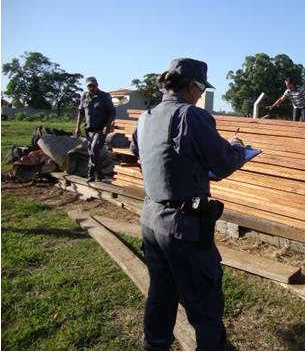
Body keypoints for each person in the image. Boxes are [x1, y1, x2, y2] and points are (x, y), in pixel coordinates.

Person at [129, 58, 246, 351]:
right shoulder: (190, 116)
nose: (201, 93)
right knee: (204, 301)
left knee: (162, 292)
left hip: (151, 220)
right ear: (193, 86)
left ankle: (154, 345)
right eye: (202, 87)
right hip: (182, 227)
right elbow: (222, 164)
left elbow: (141, 154)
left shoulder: (146, 117)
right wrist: (239, 150)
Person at [75, 76, 116, 182]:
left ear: (97, 85)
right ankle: (100, 174)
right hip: (88, 129)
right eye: (89, 86)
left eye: (93, 85)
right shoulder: (84, 96)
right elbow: (81, 112)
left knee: (94, 149)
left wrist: (108, 126)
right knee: (92, 152)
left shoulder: (104, 96)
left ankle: (90, 173)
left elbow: (112, 112)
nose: (91, 88)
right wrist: (77, 127)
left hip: (100, 129)